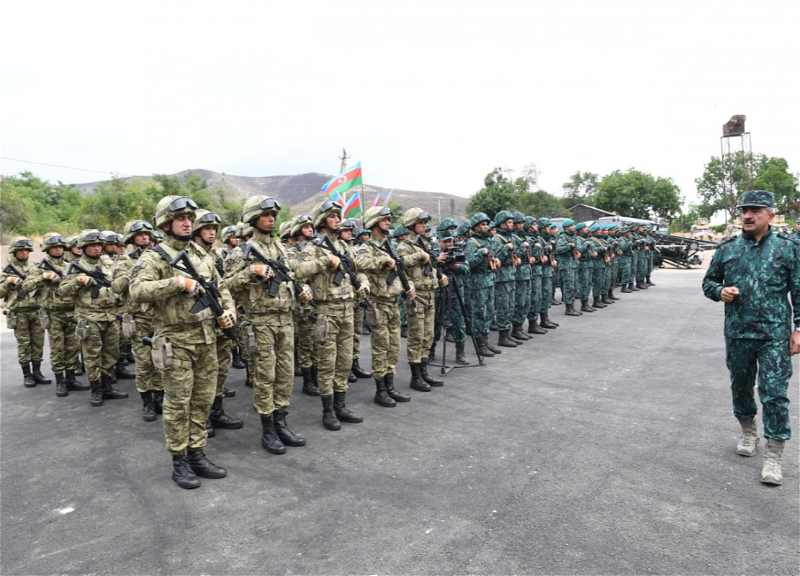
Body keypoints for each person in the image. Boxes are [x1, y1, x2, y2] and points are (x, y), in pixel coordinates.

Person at [130, 196, 235, 489]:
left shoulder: (202, 255)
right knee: (178, 404)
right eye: (181, 219)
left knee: (203, 400)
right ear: (166, 224)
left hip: (205, 338)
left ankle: (198, 454)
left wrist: (229, 311)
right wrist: (177, 283)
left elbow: (221, 286)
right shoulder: (154, 257)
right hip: (175, 340)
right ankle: (180, 463)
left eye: (190, 218)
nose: (188, 223)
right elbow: (136, 290)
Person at [702, 190, 800, 486]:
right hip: (738, 333)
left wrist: (799, 328)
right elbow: (709, 281)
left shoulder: (788, 248)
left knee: (774, 393)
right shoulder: (727, 248)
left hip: (774, 333)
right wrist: (719, 292)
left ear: (770, 215)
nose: (748, 215)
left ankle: (773, 454)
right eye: (745, 210)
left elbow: (799, 290)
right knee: (741, 386)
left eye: (755, 210)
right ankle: (748, 431)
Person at [224, 196, 311, 451]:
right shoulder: (241, 252)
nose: (272, 218)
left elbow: (291, 276)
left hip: (285, 320)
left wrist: (302, 289)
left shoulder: (281, 248)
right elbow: (225, 286)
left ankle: (282, 423)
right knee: (265, 377)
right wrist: (251, 272)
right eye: (266, 214)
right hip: (259, 322)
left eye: (274, 213)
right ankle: (268, 429)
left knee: (285, 376)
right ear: (253, 218)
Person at [294, 200, 369, 429]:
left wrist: (364, 283)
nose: (338, 219)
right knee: (327, 363)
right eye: (333, 216)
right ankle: (328, 411)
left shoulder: (345, 247)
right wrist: (324, 261)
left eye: (338, 215)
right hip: (325, 312)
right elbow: (296, 270)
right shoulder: (313, 248)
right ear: (322, 220)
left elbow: (360, 269)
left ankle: (341, 405)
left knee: (345, 361)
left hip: (348, 310)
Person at [60, 230, 128, 406]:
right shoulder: (76, 266)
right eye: (92, 245)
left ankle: (107, 387)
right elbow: (61, 292)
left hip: (111, 315)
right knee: (92, 355)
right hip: (89, 317)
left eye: (99, 245)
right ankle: (96, 390)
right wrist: (78, 281)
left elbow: (119, 282)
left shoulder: (109, 263)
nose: (97, 248)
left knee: (112, 353)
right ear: (83, 247)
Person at [355, 205, 414, 406]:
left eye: (389, 219)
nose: (388, 222)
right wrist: (383, 261)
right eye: (384, 220)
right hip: (377, 304)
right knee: (380, 346)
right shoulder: (367, 247)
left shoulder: (389, 246)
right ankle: (380, 390)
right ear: (373, 223)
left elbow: (400, 270)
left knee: (394, 346)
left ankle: (390, 386)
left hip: (392, 302)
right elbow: (359, 262)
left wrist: (408, 286)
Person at [192, 210, 243, 436]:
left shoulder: (217, 257)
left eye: (214, 228)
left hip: (221, 321)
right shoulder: (189, 257)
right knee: (199, 374)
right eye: (206, 228)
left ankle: (217, 410)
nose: (212, 232)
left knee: (220, 369)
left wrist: (230, 308)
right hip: (198, 325)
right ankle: (200, 418)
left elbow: (225, 286)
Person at [22, 233, 89, 396]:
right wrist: (43, 277)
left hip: (72, 312)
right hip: (53, 314)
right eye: (54, 247)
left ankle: (71, 379)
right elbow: (26, 286)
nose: (58, 250)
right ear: (47, 249)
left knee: (73, 347)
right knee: (58, 349)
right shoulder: (40, 268)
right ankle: (60, 381)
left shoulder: (70, 266)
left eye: (60, 247)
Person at [111, 220, 164, 422]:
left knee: (160, 359)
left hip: (157, 317)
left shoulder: (157, 258)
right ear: (131, 239)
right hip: (138, 319)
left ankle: (160, 398)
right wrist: (132, 271)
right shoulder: (124, 262)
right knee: (143, 362)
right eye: (140, 235)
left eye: (146, 234)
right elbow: (116, 287)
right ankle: (147, 401)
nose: (144, 237)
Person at [397, 208, 448, 391]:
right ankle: (415, 376)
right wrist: (419, 256)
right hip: (416, 296)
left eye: (425, 223)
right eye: (421, 222)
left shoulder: (423, 244)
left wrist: (438, 277)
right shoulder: (405, 246)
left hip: (429, 293)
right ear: (411, 224)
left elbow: (430, 265)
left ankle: (424, 372)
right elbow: (400, 267)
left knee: (428, 335)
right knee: (416, 336)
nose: (424, 225)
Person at [1, 236, 50, 388]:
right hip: (19, 312)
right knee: (24, 344)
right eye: (20, 250)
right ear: (14, 252)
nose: (24, 253)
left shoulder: (35, 269)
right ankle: (27, 374)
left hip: (36, 310)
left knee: (38, 343)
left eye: (26, 250)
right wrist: (8, 281)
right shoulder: (6, 271)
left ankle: (37, 372)